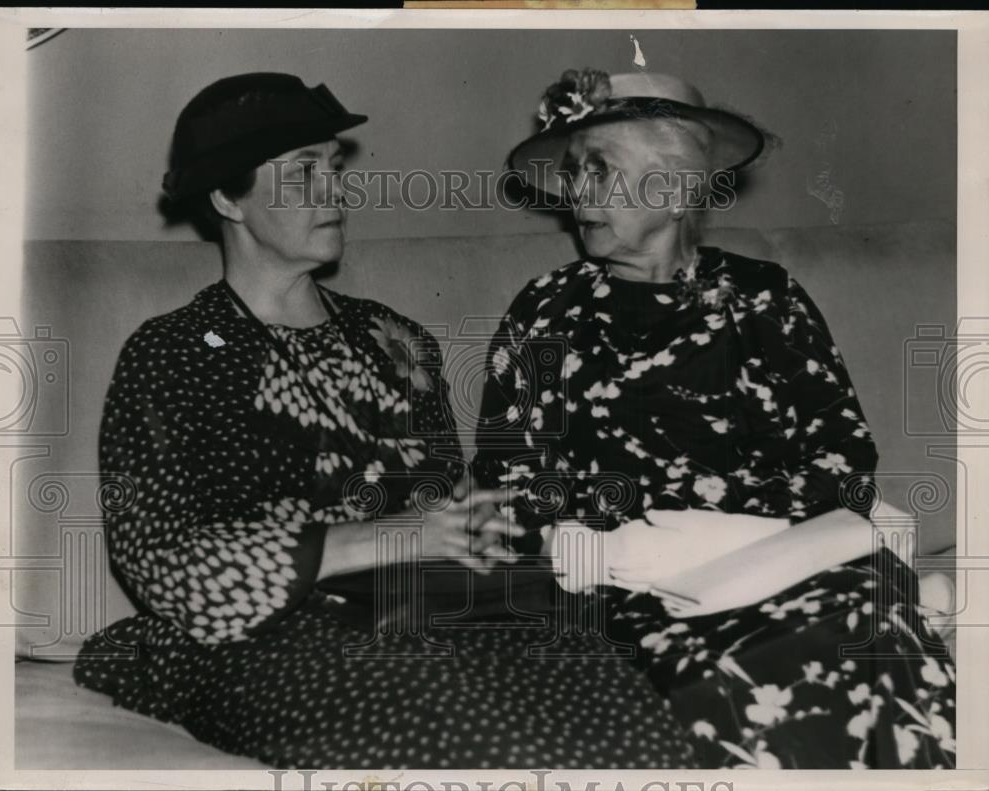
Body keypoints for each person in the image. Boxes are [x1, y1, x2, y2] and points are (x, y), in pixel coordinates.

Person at [73, 72, 699, 769]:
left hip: (439, 610)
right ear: (227, 197)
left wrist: (477, 526)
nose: (335, 188)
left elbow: (440, 511)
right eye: (301, 172)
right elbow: (163, 565)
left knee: (635, 726)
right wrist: (392, 535)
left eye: (334, 167)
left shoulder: (395, 340)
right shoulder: (170, 355)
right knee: (479, 740)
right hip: (270, 635)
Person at [475, 68, 957, 769]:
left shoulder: (762, 298)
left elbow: (840, 460)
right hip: (627, 587)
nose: (578, 192)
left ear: (676, 189)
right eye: (574, 172)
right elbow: (503, 482)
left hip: (777, 561)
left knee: (865, 615)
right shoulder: (546, 310)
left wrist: (727, 535)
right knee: (735, 672)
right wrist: (607, 546)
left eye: (600, 171)